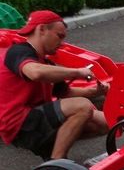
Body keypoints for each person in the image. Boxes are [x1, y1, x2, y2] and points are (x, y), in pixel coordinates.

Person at [0, 10, 109, 160]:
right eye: (59, 36)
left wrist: (97, 91)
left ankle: (51, 157)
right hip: (19, 124)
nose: (62, 42)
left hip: (38, 119)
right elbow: (34, 73)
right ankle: (56, 162)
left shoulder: (46, 62)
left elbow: (65, 93)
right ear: (42, 29)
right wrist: (77, 72)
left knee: (105, 121)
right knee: (82, 106)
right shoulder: (17, 52)